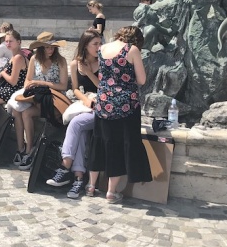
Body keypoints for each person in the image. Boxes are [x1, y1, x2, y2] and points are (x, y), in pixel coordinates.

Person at [89, 26, 151, 204]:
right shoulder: (132, 50)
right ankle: (111, 192)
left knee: (100, 142)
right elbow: (142, 80)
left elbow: (102, 76)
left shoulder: (102, 48)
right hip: (125, 106)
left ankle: (91, 186)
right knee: (119, 145)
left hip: (103, 103)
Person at [46, 29, 102, 198]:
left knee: (76, 123)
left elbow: (104, 87)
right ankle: (78, 179)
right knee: (81, 131)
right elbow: (76, 89)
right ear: (85, 46)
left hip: (103, 106)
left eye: (100, 43)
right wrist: (85, 100)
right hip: (86, 104)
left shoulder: (104, 62)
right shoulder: (75, 64)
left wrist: (89, 73)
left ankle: (65, 166)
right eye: (95, 44)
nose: (99, 47)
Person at [9, 32, 68, 171]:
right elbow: (28, 80)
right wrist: (30, 87)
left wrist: (41, 83)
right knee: (17, 110)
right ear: (41, 48)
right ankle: (22, 148)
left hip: (54, 99)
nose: (50, 50)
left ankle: (29, 150)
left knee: (27, 113)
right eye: (47, 47)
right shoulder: (34, 59)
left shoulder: (60, 61)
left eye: (52, 47)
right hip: (37, 96)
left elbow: (63, 86)